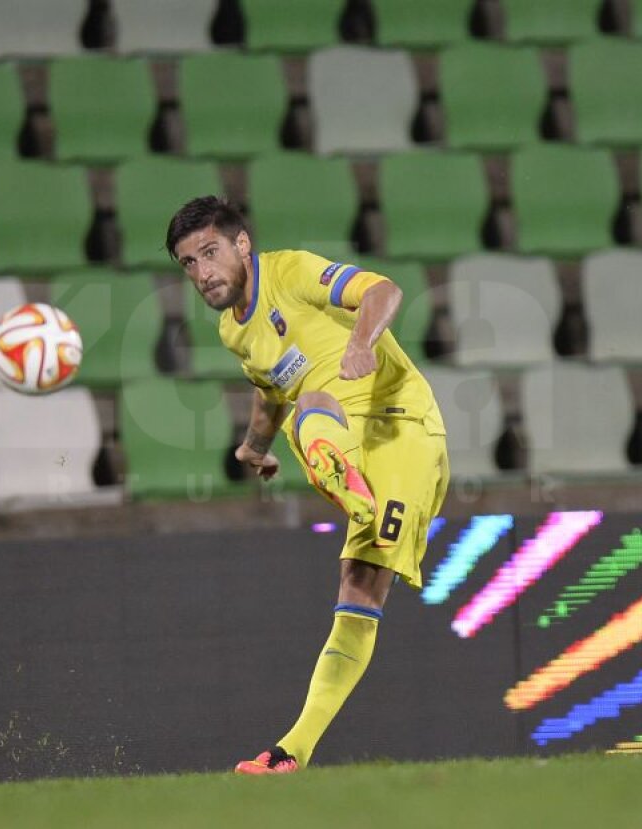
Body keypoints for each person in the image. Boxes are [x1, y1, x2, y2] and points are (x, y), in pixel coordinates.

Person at [166, 197, 449, 774]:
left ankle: (353, 496)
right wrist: (254, 447)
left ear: (242, 244)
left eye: (210, 253)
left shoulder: (291, 272)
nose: (202, 273)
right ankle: (291, 751)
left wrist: (360, 342)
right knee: (358, 597)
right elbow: (274, 387)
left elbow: (383, 291)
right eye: (188, 263)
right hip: (342, 440)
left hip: (403, 430)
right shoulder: (232, 330)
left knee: (312, 410)